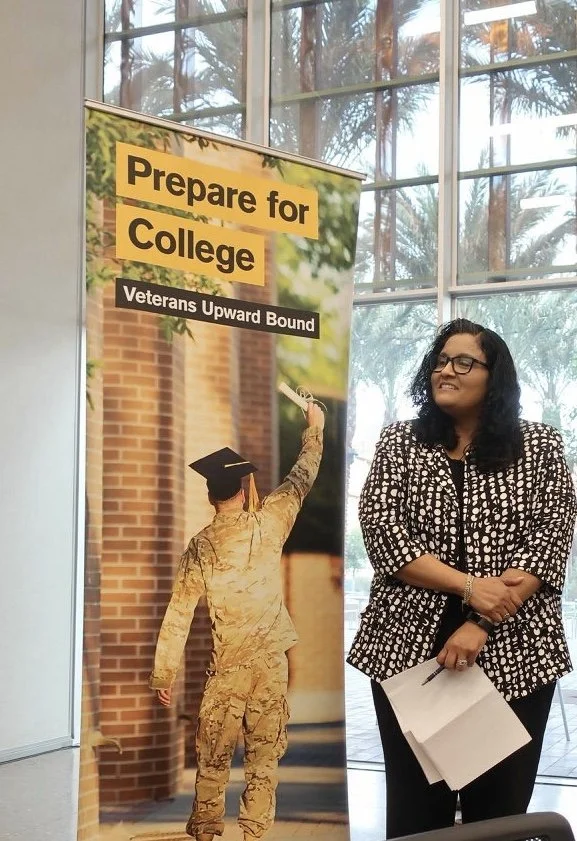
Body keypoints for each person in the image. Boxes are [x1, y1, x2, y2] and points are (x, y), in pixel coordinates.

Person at [347, 318, 577, 839]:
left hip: (515, 657)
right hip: (406, 656)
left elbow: (547, 541)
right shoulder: (400, 441)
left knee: (497, 816)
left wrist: (480, 622)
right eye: (440, 360)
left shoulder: (538, 446)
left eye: (463, 362)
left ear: (495, 378)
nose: (446, 370)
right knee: (415, 815)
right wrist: (469, 586)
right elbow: (384, 533)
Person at [149, 401, 324, 841]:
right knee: (263, 763)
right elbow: (301, 478)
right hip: (269, 667)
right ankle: (254, 836)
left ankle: (206, 836)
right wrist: (314, 427)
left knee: (212, 762)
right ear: (244, 488)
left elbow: (179, 611)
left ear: (211, 494)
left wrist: (163, 672)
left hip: (225, 670)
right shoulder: (270, 522)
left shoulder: (200, 546)